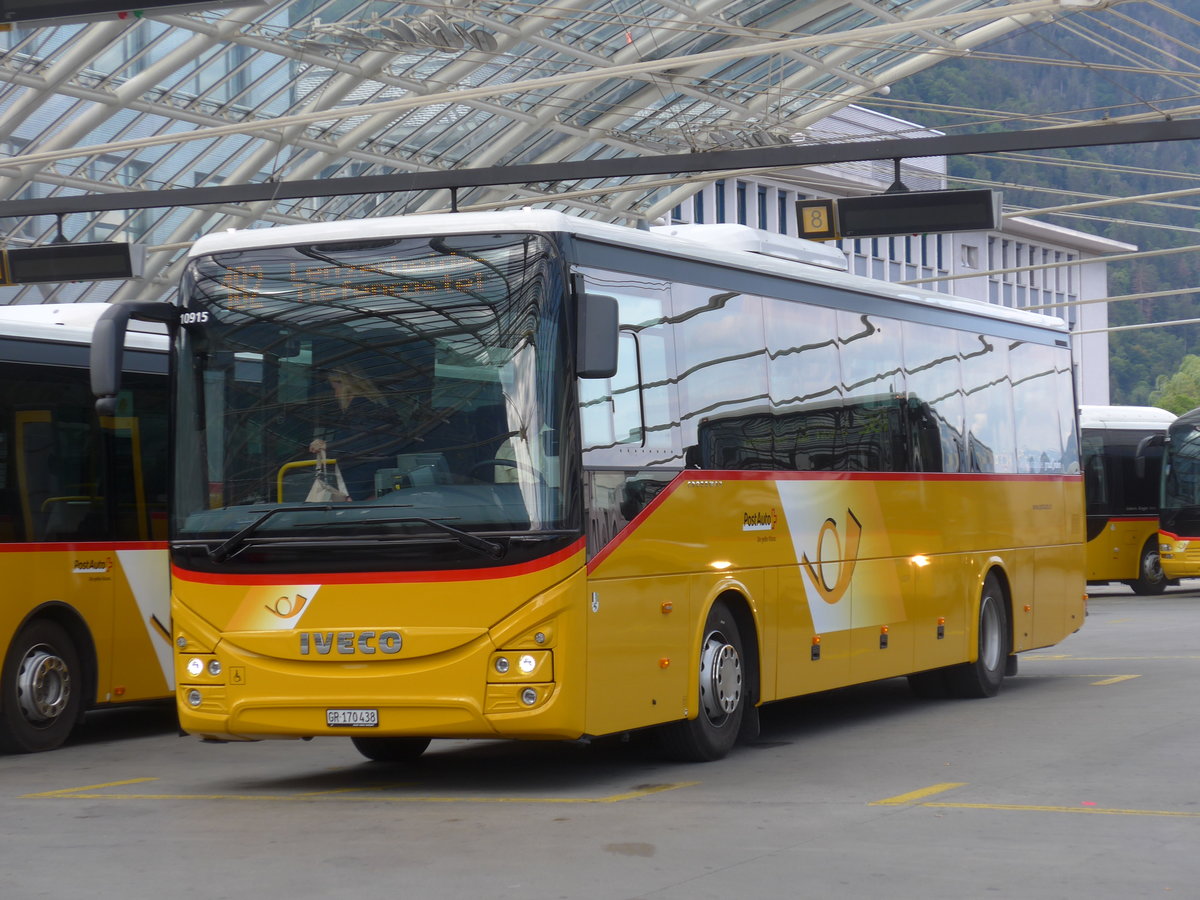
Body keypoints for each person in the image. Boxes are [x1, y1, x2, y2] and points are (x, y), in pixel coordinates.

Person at [308, 364, 408, 501]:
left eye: (335, 389)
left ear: (346, 387)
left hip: (362, 490)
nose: (335, 395)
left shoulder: (360, 412)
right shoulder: (375, 410)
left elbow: (361, 450)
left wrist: (328, 447)